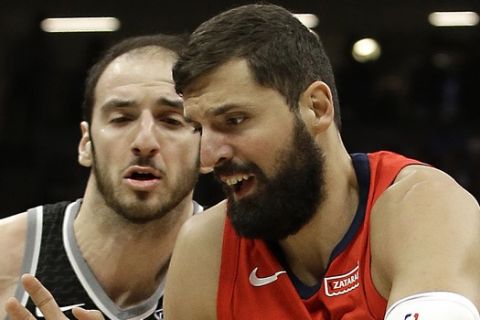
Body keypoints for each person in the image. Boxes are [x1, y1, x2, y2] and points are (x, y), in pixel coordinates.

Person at [162, 4, 480, 320]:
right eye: (199, 128)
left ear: (316, 107)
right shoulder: (206, 251)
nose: (207, 158)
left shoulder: (423, 208)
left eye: (234, 120)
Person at [0, 33, 202, 320]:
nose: (144, 141)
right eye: (121, 118)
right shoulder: (5, 255)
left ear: (206, 147)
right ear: (86, 144)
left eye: (171, 120)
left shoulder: (243, 262)